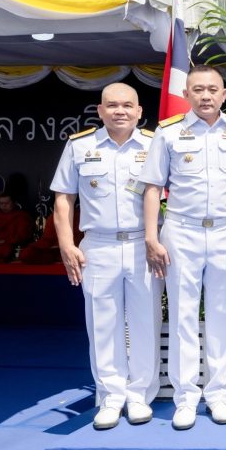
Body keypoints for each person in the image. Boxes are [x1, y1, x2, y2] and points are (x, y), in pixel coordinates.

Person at [142, 65, 226, 430]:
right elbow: (152, 187)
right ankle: (186, 397)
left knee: (223, 315)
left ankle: (219, 395)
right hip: (182, 232)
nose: (206, 96)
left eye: (212, 89)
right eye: (198, 89)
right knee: (183, 316)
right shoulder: (168, 132)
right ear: (187, 94)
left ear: (224, 94)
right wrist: (151, 237)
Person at [50, 82, 160, 430]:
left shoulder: (155, 145)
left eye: (127, 105)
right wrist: (67, 244)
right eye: (112, 105)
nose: (120, 111)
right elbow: (63, 198)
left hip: (144, 246)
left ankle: (139, 395)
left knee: (145, 321)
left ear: (139, 111)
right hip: (98, 245)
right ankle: (111, 396)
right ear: (100, 111)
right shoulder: (79, 146)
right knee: (102, 323)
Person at [0, 194, 33, 262]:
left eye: (7, 203)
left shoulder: (22, 216)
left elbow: (21, 236)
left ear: (14, 203)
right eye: (1, 203)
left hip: (8, 244)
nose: (4, 206)